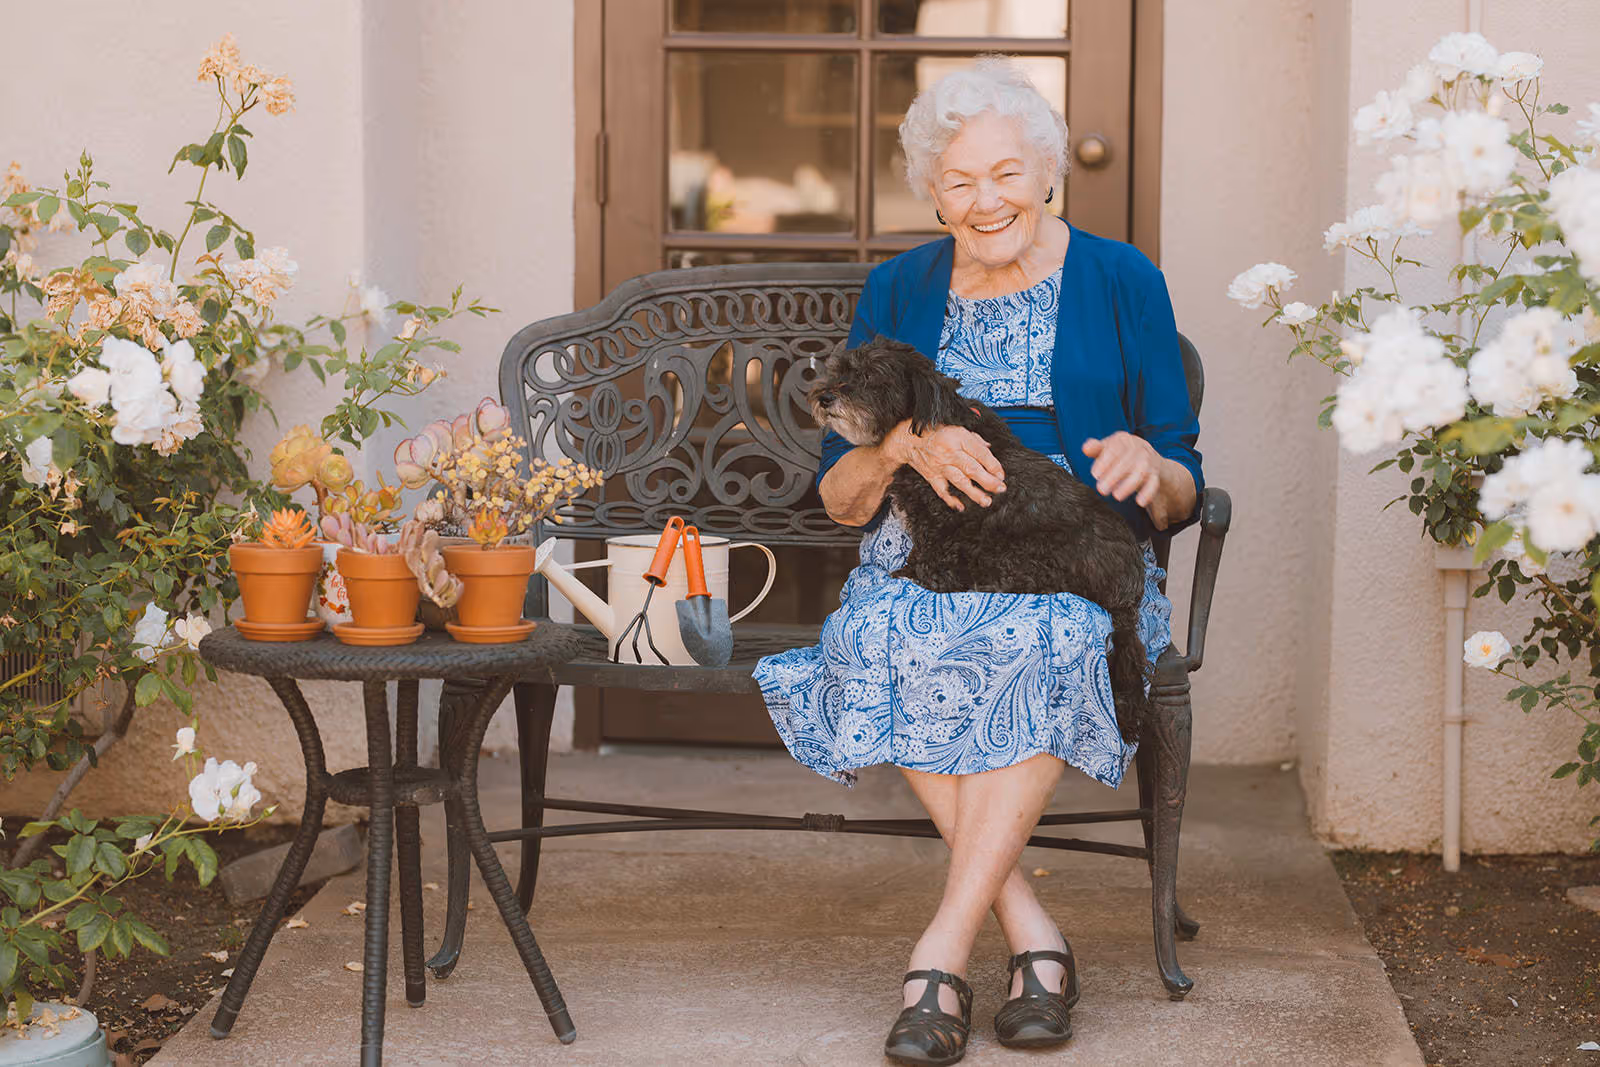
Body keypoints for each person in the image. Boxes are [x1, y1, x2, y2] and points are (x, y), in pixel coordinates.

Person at [752, 56, 1203, 1065]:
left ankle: (939, 952)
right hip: (927, 555)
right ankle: (1033, 939)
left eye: (1005, 173)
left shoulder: (1121, 277)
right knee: (886, 628)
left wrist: (1145, 462)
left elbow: (1180, 478)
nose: (984, 199)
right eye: (958, 180)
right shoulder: (898, 287)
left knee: (1041, 636)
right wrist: (902, 443)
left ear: (1047, 172)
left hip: (1071, 557)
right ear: (931, 190)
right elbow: (839, 495)